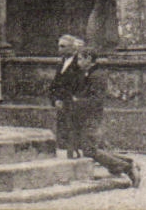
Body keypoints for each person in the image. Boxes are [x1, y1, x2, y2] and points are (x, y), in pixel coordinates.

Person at [48, 37, 139, 187]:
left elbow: (95, 100)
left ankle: (127, 167)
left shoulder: (96, 76)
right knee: (90, 148)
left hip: (91, 117)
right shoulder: (89, 74)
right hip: (86, 116)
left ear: (89, 59)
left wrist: (77, 101)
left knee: (90, 149)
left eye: (80, 60)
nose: (77, 63)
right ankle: (125, 163)